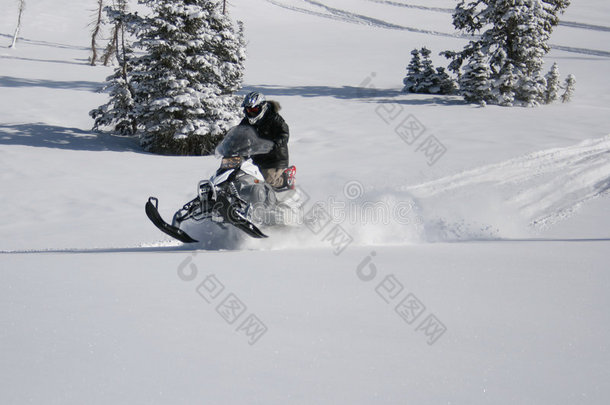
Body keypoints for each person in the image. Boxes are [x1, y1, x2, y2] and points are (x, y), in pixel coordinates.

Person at [240, 92, 295, 189]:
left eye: (254, 109)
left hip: (275, 157)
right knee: (243, 175)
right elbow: (239, 132)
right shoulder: (246, 121)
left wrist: (275, 143)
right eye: (248, 110)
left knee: (268, 179)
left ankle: (286, 177)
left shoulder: (273, 118)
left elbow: (284, 133)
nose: (251, 113)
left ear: (262, 107)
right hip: (257, 156)